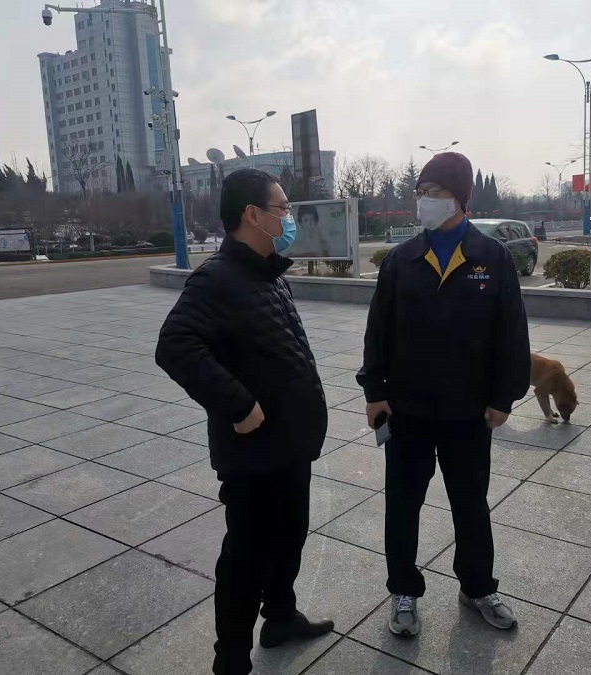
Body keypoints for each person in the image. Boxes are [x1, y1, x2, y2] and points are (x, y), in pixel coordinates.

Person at [155, 169, 334, 675]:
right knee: (246, 558)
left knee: (289, 536)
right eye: (282, 209)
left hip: (289, 446)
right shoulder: (217, 278)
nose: (288, 217)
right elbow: (175, 346)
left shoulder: (266, 273)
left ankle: (280, 617)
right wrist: (238, 406)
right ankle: (230, 660)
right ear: (253, 215)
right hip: (255, 454)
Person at [356, 152, 530, 636]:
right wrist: (374, 391)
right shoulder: (401, 259)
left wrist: (503, 397)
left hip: (468, 411)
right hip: (407, 409)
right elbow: (378, 331)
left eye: (432, 192)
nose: (423, 202)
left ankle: (477, 587)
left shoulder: (491, 257)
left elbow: (511, 334)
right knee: (402, 504)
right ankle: (403, 590)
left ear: (458, 197)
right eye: (420, 193)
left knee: (470, 503)